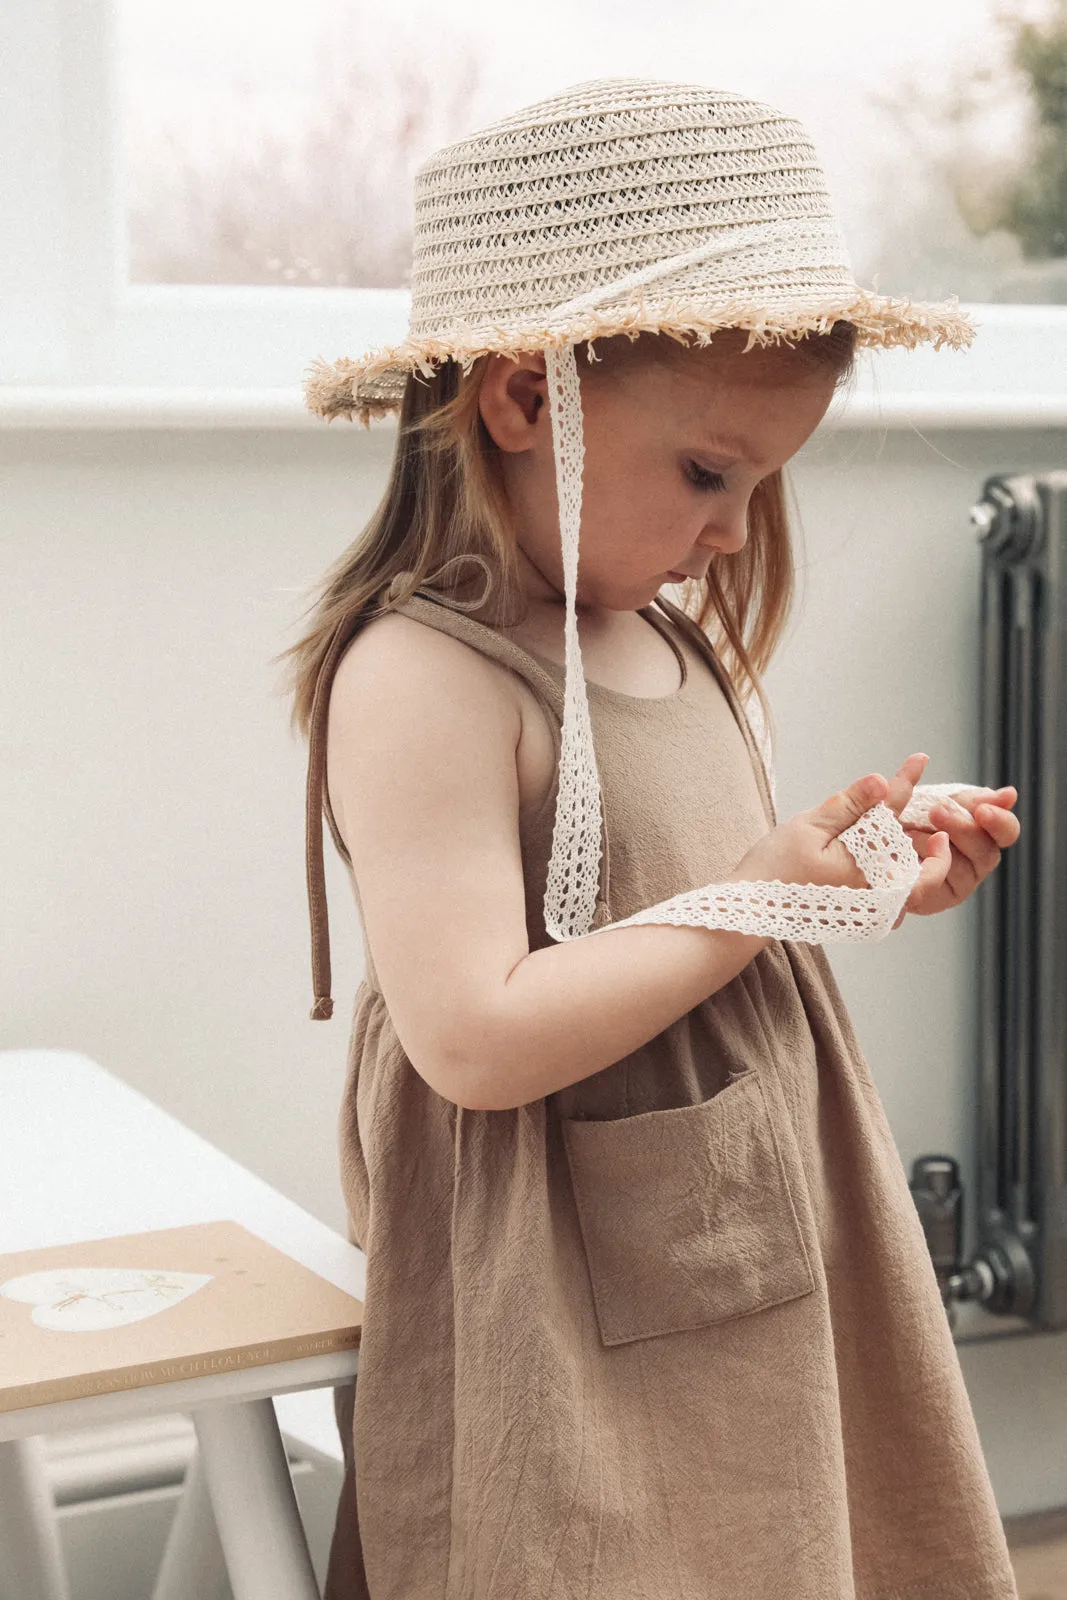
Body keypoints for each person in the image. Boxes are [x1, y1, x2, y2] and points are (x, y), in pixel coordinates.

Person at [278, 78, 1022, 1600]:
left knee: (766, 1518)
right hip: (558, 1267)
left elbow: (681, 926)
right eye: (706, 475)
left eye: (760, 484)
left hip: (744, 1220)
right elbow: (476, 1039)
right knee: (602, 1538)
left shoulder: (666, 638)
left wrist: (852, 880)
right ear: (521, 401)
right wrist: (759, 893)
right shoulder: (426, 674)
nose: (733, 535)